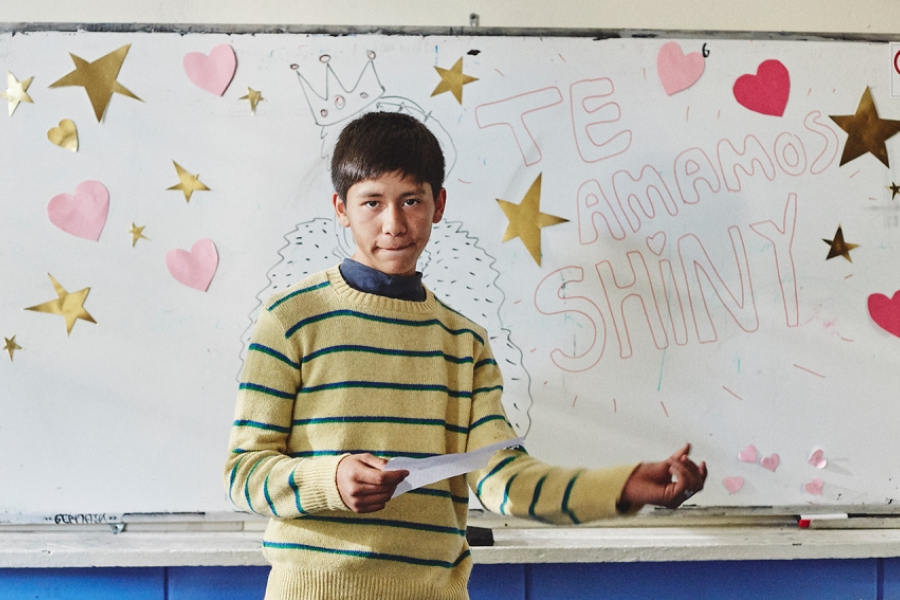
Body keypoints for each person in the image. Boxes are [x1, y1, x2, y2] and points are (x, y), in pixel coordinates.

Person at [224, 111, 707, 600]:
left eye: (411, 200)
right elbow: (244, 473)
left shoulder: (463, 343)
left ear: (438, 205)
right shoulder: (291, 318)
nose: (393, 224)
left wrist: (624, 488)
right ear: (341, 208)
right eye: (372, 202)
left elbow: (505, 480)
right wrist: (329, 478)